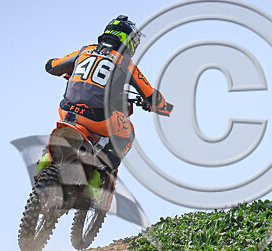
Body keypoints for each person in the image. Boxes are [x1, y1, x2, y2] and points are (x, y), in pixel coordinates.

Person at [37, 15, 173, 201]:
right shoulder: (124, 62)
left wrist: (58, 66)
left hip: (67, 111)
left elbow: (52, 66)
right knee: (128, 134)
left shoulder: (85, 50)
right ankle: (95, 180)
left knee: (67, 121)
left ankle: (46, 159)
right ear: (128, 41)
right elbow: (149, 94)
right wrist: (163, 106)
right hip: (97, 118)